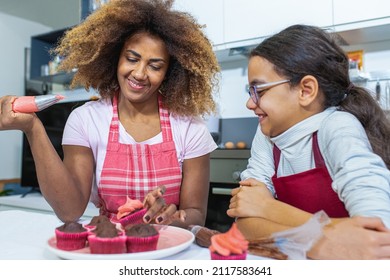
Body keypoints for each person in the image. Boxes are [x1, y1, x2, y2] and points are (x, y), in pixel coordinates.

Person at [0, 0, 220, 228]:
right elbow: (69, 210)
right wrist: (33, 129)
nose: (140, 73)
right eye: (132, 59)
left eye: (155, 66)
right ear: (115, 56)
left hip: (169, 246)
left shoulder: (190, 127)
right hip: (109, 245)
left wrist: (173, 218)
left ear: (170, 72)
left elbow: (195, 213)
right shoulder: (86, 120)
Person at [227, 24, 390, 259]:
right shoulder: (267, 133)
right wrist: (323, 241)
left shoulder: (337, 126)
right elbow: (245, 225)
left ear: (306, 90)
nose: (250, 104)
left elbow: (377, 234)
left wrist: (268, 208)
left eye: (258, 91)